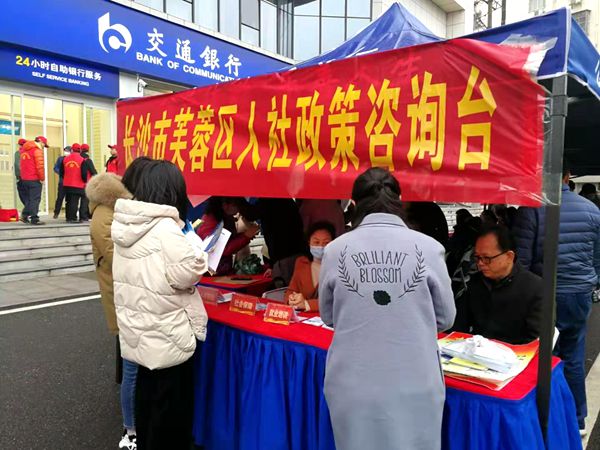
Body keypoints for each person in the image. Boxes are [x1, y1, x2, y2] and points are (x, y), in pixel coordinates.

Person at [319, 168, 455, 450]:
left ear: (353, 204)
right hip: (415, 380)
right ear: (400, 200)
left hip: (352, 382)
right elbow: (446, 318)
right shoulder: (429, 248)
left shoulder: (334, 251)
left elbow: (328, 316)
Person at [112, 160, 209, 450]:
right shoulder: (166, 227)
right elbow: (189, 272)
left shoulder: (126, 223)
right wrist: (197, 247)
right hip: (168, 337)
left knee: (147, 404)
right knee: (172, 416)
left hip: (139, 331)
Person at [512, 161, 600, 435]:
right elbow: (597, 257)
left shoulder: (531, 209)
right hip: (578, 293)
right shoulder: (591, 209)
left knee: (539, 358)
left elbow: (522, 261)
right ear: (568, 176)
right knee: (573, 356)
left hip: (544, 294)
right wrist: (591, 282)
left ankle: (544, 419)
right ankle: (577, 419)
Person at [86, 158, 152, 450]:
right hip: (120, 293)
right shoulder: (105, 214)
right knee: (131, 368)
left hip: (126, 292)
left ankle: (137, 422)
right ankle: (131, 429)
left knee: (133, 362)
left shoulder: (111, 211)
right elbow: (117, 255)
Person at [453, 226, 542, 344]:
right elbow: (459, 324)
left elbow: (536, 340)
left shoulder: (535, 288)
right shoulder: (475, 282)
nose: (480, 263)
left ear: (509, 256)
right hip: (476, 349)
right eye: (477, 257)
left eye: (486, 258)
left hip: (515, 352)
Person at [196, 197, 259, 275]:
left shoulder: (225, 217)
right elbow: (221, 249)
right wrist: (246, 236)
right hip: (211, 271)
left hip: (222, 269)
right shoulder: (211, 221)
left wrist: (246, 235)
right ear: (226, 205)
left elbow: (229, 240)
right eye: (237, 205)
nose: (239, 209)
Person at [285, 221, 335, 312]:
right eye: (316, 242)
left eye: (326, 242)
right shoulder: (301, 263)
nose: (321, 246)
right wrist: (292, 299)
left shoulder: (339, 266)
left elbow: (338, 300)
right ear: (309, 242)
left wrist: (307, 304)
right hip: (303, 318)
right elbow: (290, 291)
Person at [19, 138, 46, 225]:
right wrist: (42, 178)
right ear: (40, 142)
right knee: (35, 199)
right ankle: (34, 218)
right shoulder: (37, 151)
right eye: (44, 144)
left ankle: (25, 215)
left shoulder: (23, 151)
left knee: (30, 199)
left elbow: (21, 166)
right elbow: (39, 167)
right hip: (34, 179)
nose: (43, 147)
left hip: (24, 179)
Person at [61, 143, 87, 223]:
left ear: (72, 150)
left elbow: (61, 172)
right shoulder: (82, 160)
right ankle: (73, 218)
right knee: (75, 202)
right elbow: (84, 173)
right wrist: (84, 181)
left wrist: (65, 178)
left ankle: (68, 217)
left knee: (69, 201)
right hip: (78, 184)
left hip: (67, 184)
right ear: (80, 150)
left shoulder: (65, 159)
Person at [80, 143, 97, 221]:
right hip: (86, 182)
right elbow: (93, 171)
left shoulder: (78, 159)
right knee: (85, 199)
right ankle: (84, 215)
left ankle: (81, 215)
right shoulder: (87, 160)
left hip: (77, 182)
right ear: (88, 150)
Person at [52, 146, 70, 219]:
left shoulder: (71, 159)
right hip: (62, 181)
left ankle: (68, 214)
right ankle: (56, 213)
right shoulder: (60, 159)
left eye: (68, 151)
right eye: (65, 150)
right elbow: (55, 168)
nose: (66, 152)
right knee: (60, 197)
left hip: (70, 182)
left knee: (69, 199)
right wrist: (61, 173)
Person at [14, 138, 27, 206]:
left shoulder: (18, 153)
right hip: (29, 177)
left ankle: (28, 208)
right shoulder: (28, 153)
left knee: (22, 195)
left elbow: (17, 165)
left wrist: (20, 176)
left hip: (22, 178)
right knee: (28, 195)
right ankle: (30, 208)